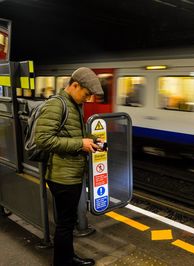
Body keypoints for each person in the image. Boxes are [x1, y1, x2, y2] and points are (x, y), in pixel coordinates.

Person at [35, 67, 104, 266]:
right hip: (62, 176)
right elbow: (43, 139)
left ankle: (67, 258)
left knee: (68, 221)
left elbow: (71, 135)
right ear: (75, 85)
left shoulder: (73, 104)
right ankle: (63, 262)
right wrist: (80, 144)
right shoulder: (57, 105)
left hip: (70, 173)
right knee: (65, 224)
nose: (88, 98)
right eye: (86, 94)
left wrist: (90, 140)